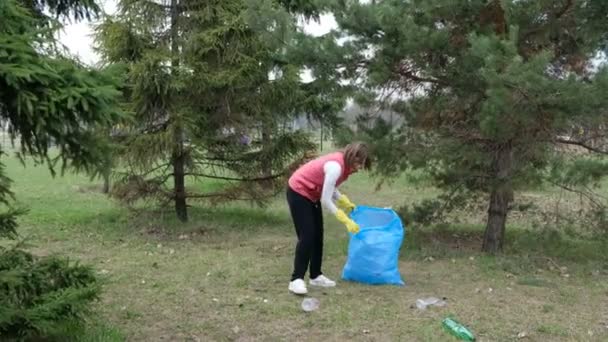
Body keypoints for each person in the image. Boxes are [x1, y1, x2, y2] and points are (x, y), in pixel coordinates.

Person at [286, 142, 371, 295]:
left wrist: (343, 200)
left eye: (362, 165)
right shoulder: (336, 167)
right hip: (298, 191)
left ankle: (316, 276)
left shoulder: (343, 166)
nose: (359, 168)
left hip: (312, 193)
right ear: (352, 157)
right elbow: (325, 200)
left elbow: (329, 186)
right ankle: (296, 279)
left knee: (318, 236)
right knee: (307, 236)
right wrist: (344, 219)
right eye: (359, 164)